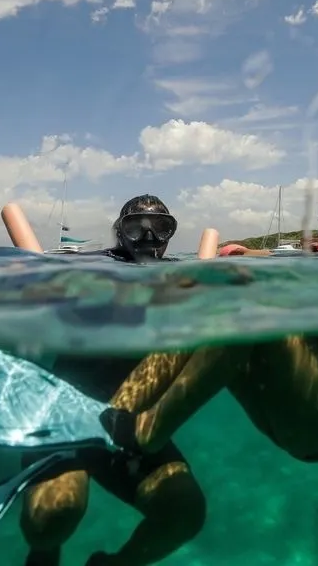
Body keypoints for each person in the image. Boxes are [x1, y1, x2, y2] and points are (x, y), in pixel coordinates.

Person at [103, 179, 318, 471]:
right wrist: (249, 254)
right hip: (298, 414)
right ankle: (116, 414)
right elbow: (294, 257)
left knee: (243, 306)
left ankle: (145, 432)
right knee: (212, 312)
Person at [20, 195, 206, 566]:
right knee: (50, 519)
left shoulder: (180, 277)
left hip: (127, 425)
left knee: (183, 510)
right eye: (136, 226)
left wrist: (242, 252)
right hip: (65, 418)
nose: (149, 236)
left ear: (171, 233)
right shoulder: (93, 268)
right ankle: (44, 553)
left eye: (161, 227)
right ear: (119, 231)